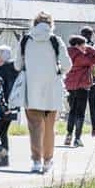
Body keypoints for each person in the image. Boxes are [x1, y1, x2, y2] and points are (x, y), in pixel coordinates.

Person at [19, 12, 71, 174]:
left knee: (34, 126)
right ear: (51, 24)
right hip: (52, 91)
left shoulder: (25, 40)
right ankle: (47, 161)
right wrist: (58, 71)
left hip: (31, 90)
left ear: (34, 24)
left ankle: (36, 160)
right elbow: (67, 64)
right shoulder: (55, 40)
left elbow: (17, 64)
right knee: (49, 127)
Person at [64, 35, 95, 148]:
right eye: (83, 45)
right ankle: (77, 138)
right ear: (77, 45)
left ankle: (69, 135)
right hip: (82, 86)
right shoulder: (83, 57)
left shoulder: (66, 54)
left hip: (70, 85)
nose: (85, 47)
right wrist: (90, 47)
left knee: (72, 111)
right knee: (80, 112)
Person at [0, 45, 18, 166]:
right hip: (13, 106)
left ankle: (0, 151)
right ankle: (4, 158)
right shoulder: (15, 69)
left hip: (2, 106)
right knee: (3, 132)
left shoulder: (2, 70)